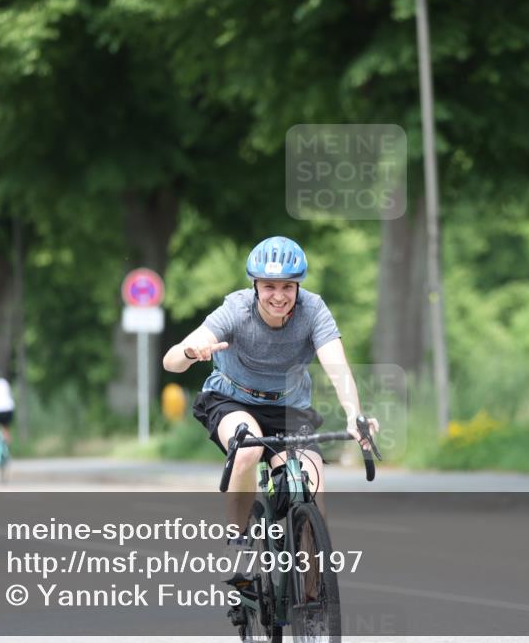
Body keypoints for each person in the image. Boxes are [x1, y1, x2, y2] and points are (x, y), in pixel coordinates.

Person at [162, 236, 379, 584]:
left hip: (289, 408)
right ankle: (240, 545)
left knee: (312, 486)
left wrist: (355, 414)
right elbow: (170, 361)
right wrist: (191, 351)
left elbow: (337, 368)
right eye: (269, 287)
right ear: (255, 286)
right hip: (233, 400)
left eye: (287, 286)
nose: (279, 295)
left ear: (298, 286)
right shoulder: (235, 310)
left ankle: (314, 603)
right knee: (249, 446)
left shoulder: (313, 311)